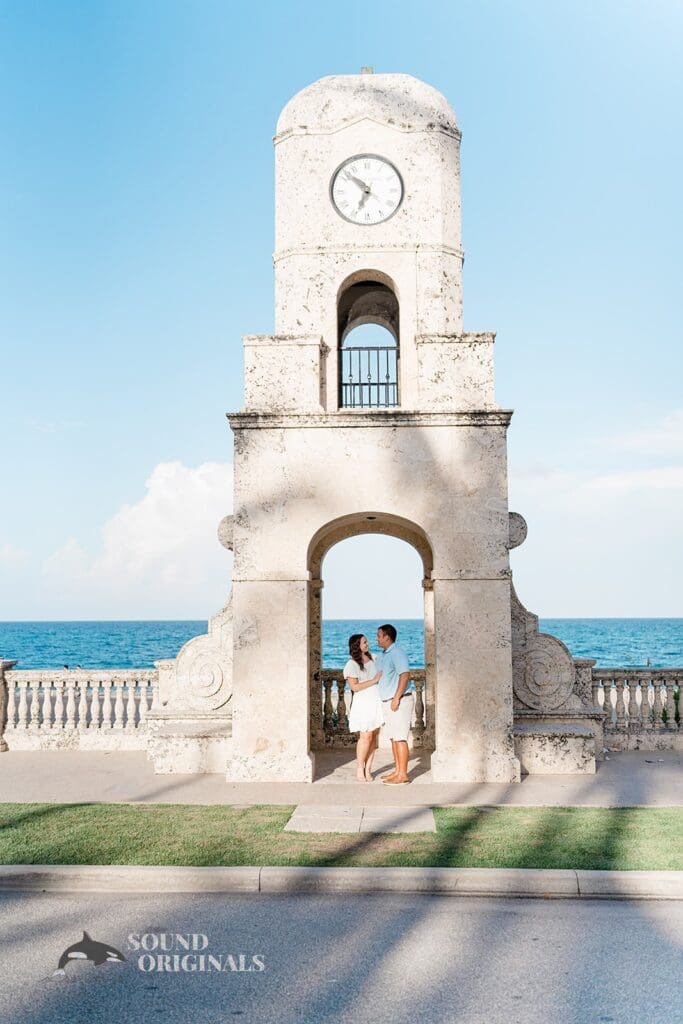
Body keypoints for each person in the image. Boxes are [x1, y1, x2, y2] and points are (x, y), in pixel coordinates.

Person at [376, 623, 415, 784]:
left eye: (379, 635)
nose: (376, 639)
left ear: (387, 636)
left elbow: (404, 675)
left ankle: (403, 775)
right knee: (393, 738)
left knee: (400, 738)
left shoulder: (397, 652)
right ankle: (398, 771)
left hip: (399, 701)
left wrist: (396, 698)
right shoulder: (384, 654)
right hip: (387, 702)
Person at [343, 633, 384, 782]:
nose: (367, 644)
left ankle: (368, 768)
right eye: (364, 642)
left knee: (374, 736)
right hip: (363, 704)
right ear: (357, 646)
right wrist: (374, 680)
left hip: (376, 701)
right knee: (365, 736)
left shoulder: (373, 658)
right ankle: (360, 767)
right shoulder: (351, 664)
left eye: (366, 641)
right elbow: (354, 687)